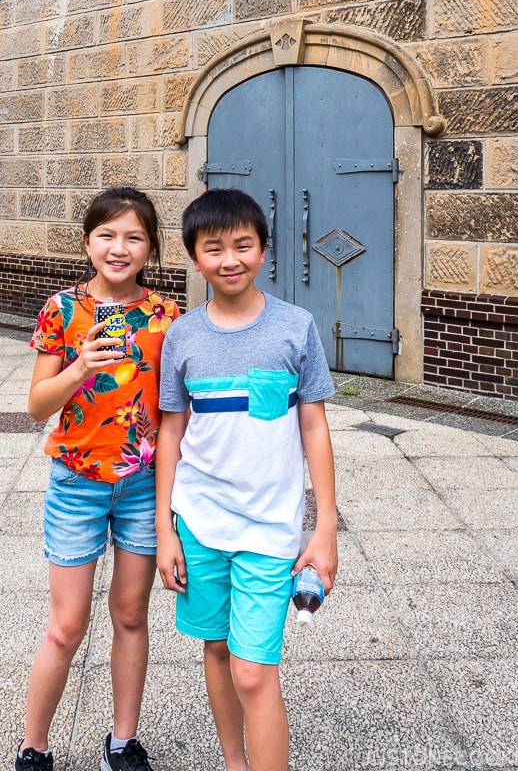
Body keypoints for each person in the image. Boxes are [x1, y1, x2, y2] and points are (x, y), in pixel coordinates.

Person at [155, 188, 338, 771]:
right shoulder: (181, 336)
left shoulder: (295, 327)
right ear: (195, 257)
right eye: (214, 248)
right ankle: (235, 763)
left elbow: (313, 425)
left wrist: (325, 524)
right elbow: (171, 433)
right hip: (200, 520)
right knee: (214, 647)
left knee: (254, 671)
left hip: (270, 527)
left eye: (243, 245)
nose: (229, 259)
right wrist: (165, 528)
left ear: (264, 252)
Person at [17, 186, 179, 771]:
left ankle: (122, 742)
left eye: (134, 236)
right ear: (87, 243)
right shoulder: (62, 310)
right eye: (106, 235)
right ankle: (34, 746)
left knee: (131, 614)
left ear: (151, 247)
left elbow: (173, 411)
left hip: (142, 486)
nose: (119, 248)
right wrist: (81, 366)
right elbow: (38, 405)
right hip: (76, 484)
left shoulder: (165, 316)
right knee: (67, 625)